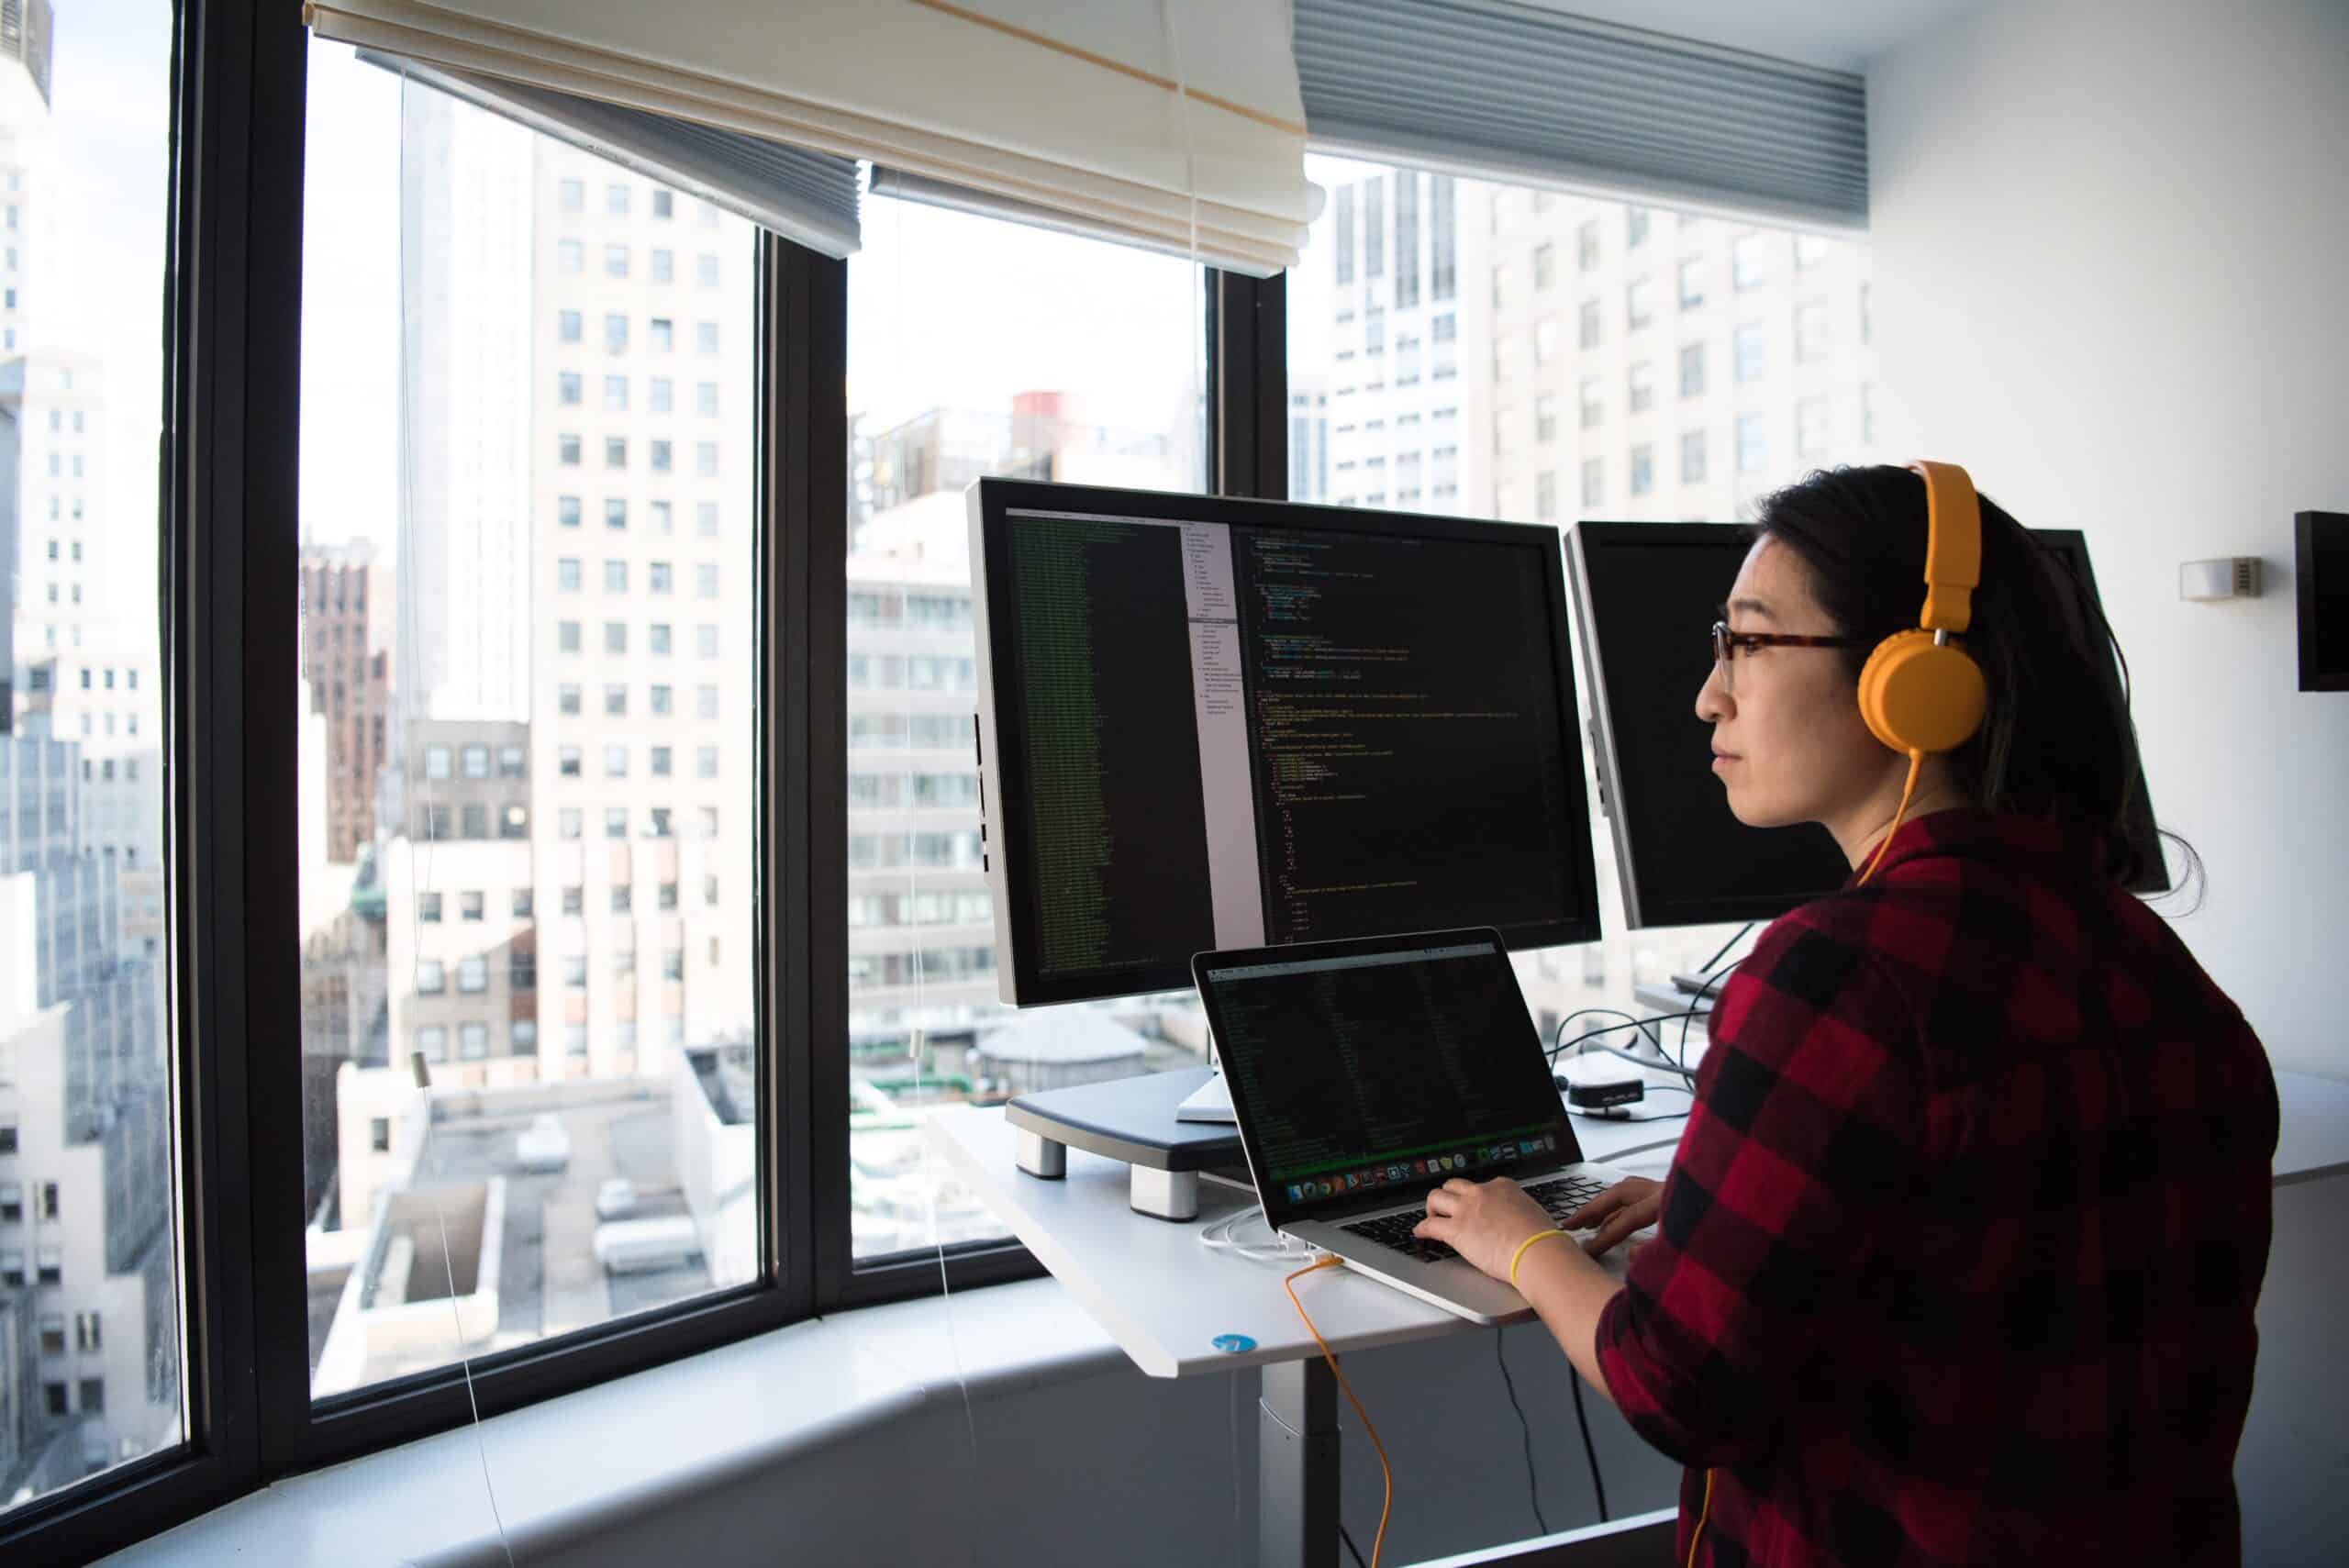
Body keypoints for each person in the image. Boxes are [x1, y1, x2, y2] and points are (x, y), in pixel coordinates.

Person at [1412, 464, 2277, 1565]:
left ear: (1912, 682)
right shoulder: (2153, 961)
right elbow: (2004, 1218)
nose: (1707, 694)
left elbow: (1675, 1384)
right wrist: (1729, 1192)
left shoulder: (1842, 974)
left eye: (1748, 642)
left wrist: (1522, 1238)